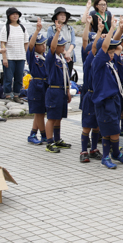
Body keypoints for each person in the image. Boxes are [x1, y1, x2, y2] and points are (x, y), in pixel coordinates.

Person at [92, 18, 123, 169]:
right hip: (105, 102)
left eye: (112, 52)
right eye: (109, 52)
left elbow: (117, 47)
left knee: (115, 129)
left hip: (115, 100)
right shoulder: (98, 62)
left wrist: (120, 31)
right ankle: (105, 156)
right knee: (107, 131)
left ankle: (116, 153)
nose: (112, 54)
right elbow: (105, 46)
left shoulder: (111, 63)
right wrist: (111, 29)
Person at [44, 24, 72, 153]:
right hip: (54, 90)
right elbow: (53, 47)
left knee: (59, 116)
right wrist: (57, 32)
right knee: (52, 117)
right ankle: (49, 142)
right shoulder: (51, 57)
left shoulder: (62, 58)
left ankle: (57, 138)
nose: (63, 47)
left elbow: (66, 76)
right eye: (61, 45)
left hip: (62, 90)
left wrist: (67, 92)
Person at [79, 16, 102, 162]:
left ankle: (93, 149)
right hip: (89, 95)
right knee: (87, 125)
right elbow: (86, 42)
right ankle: (83, 151)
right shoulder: (88, 59)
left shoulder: (100, 60)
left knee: (97, 126)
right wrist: (97, 29)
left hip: (98, 96)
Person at [0, 7, 29, 104]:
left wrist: (27, 56)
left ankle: (16, 95)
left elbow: (26, 43)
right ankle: (8, 94)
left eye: (17, 14)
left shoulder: (22, 27)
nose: (15, 16)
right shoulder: (6, 27)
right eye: (13, 14)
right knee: (8, 77)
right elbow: (2, 43)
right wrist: (4, 58)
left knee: (19, 77)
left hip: (20, 56)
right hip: (9, 57)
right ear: (9, 16)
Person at [26, 18, 48, 145]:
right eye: (41, 44)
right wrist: (37, 30)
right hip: (37, 86)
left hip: (45, 85)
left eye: (45, 43)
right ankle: (44, 135)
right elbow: (30, 45)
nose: (44, 46)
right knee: (39, 112)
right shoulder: (32, 56)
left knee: (40, 112)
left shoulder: (44, 57)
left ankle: (33, 134)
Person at [47, 6, 77, 77]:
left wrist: (68, 52)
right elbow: (51, 43)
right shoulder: (51, 29)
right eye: (61, 15)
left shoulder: (70, 28)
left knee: (68, 77)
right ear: (56, 17)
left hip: (69, 57)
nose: (63, 17)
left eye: (64, 15)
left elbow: (73, 42)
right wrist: (65, 53)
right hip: (57, 57)